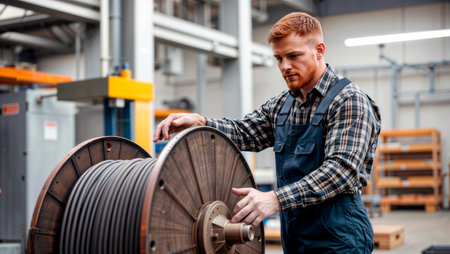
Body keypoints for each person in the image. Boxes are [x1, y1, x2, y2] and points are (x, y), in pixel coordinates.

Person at [154, 12, 381, 253]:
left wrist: (275, 199)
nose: (285, 66)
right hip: (295, 237)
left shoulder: (349, 101)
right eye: (279, 58)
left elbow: (341, 171)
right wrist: (201, 122)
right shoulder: (282, 105)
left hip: (340, 240)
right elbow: (244, 132)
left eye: (293, 56)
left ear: (319, 50)